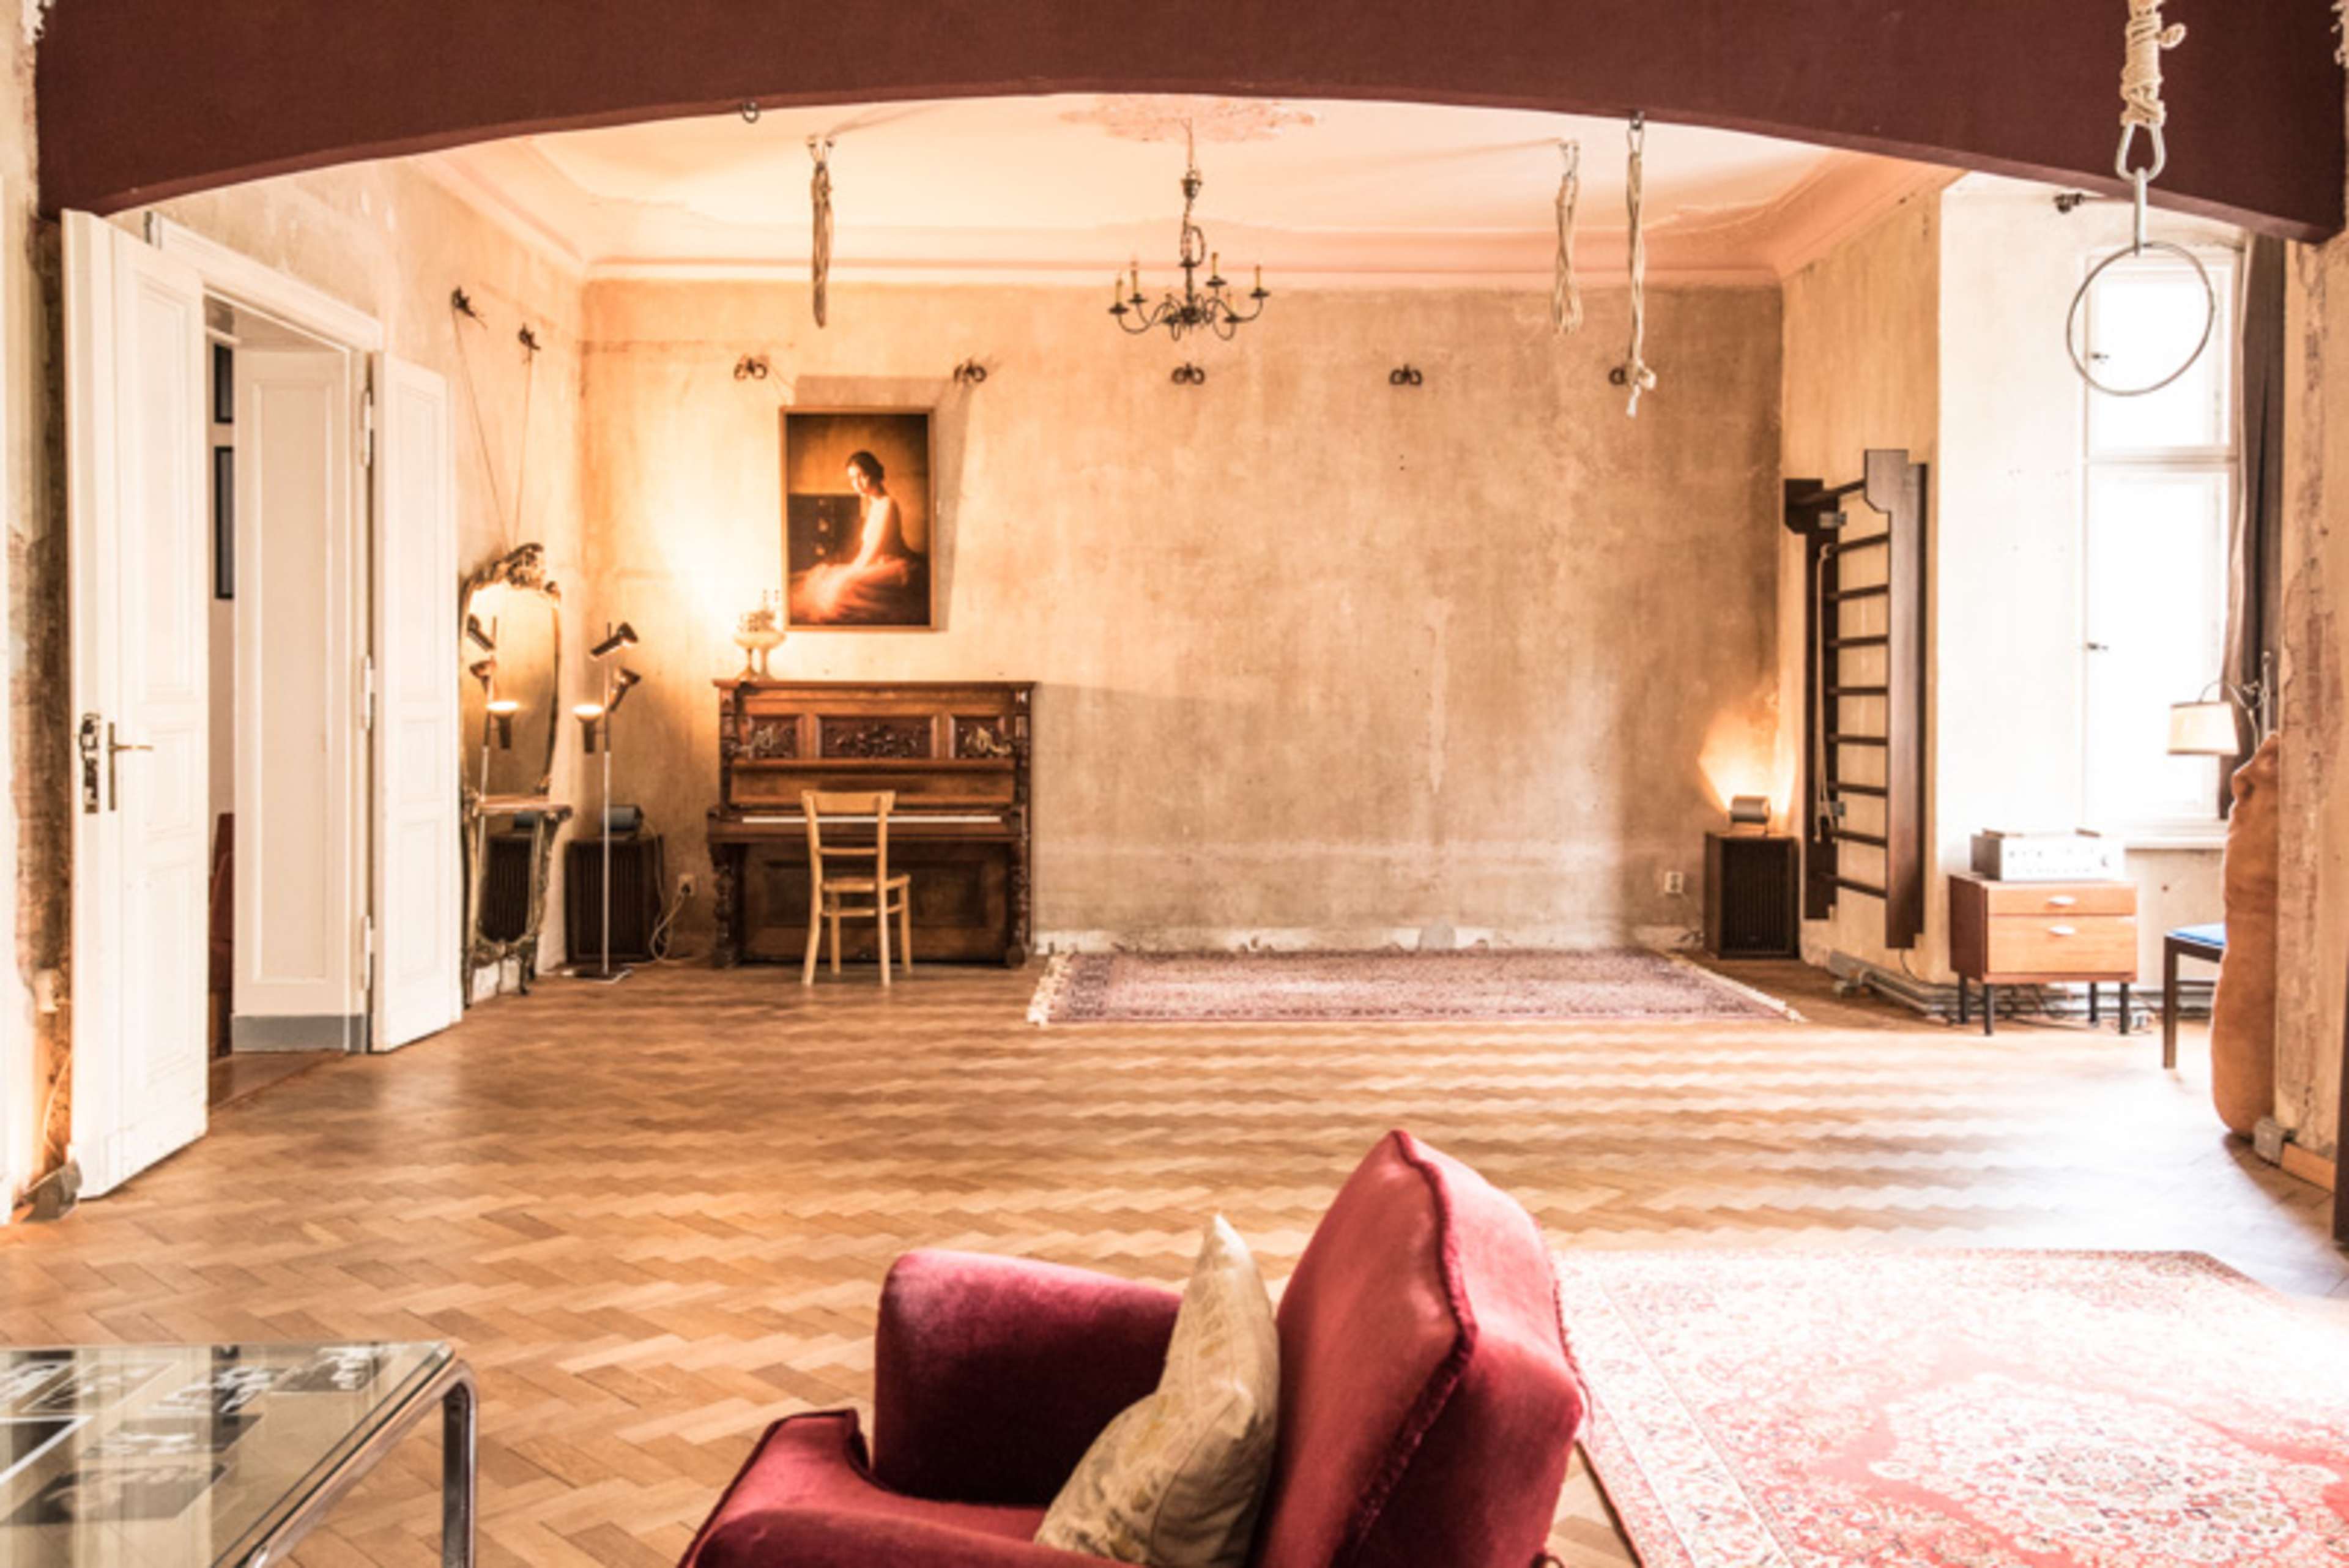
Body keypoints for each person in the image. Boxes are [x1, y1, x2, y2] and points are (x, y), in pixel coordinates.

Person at [790, 450, 921, 623]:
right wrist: (847, 570)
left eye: (862, 476)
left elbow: (873, 551)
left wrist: (848, 574)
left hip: (894, 567)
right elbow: (866, 551)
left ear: (875, 473)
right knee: (827, 582)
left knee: (839, 589)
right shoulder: (874, 505)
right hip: (876, 563)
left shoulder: (888, 504)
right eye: (852, 479)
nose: (857, 484)